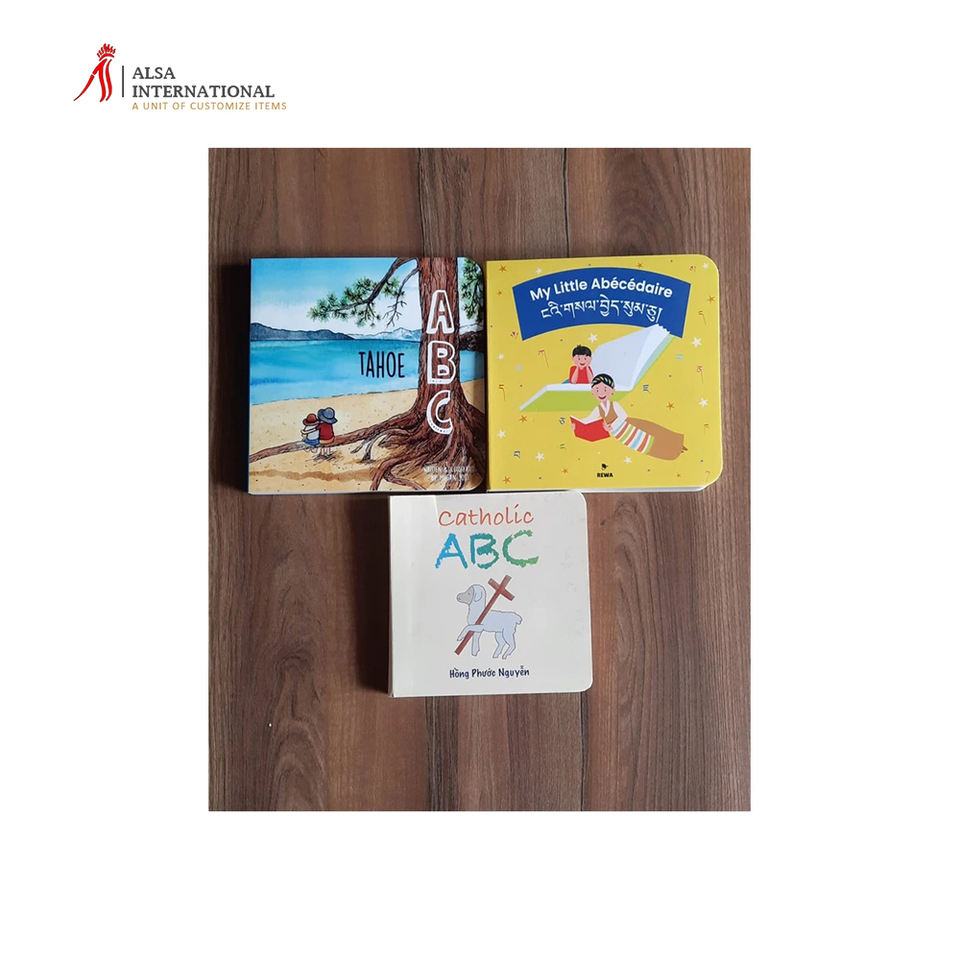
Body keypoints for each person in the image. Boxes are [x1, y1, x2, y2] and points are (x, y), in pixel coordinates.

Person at [575, 373, 685, 459]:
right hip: (621, 435)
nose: (601, 393)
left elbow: (623, 416)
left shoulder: (614, 404)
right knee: (644, 446)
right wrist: (577, 424)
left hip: (629, 427)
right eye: (597, 390)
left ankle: (675, 445)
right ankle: (670, 452)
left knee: (650, 435)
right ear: (592, 392)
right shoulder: (599, 409)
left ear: (612, 391)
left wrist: (612, 426)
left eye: (605, 389)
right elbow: (589, 419)